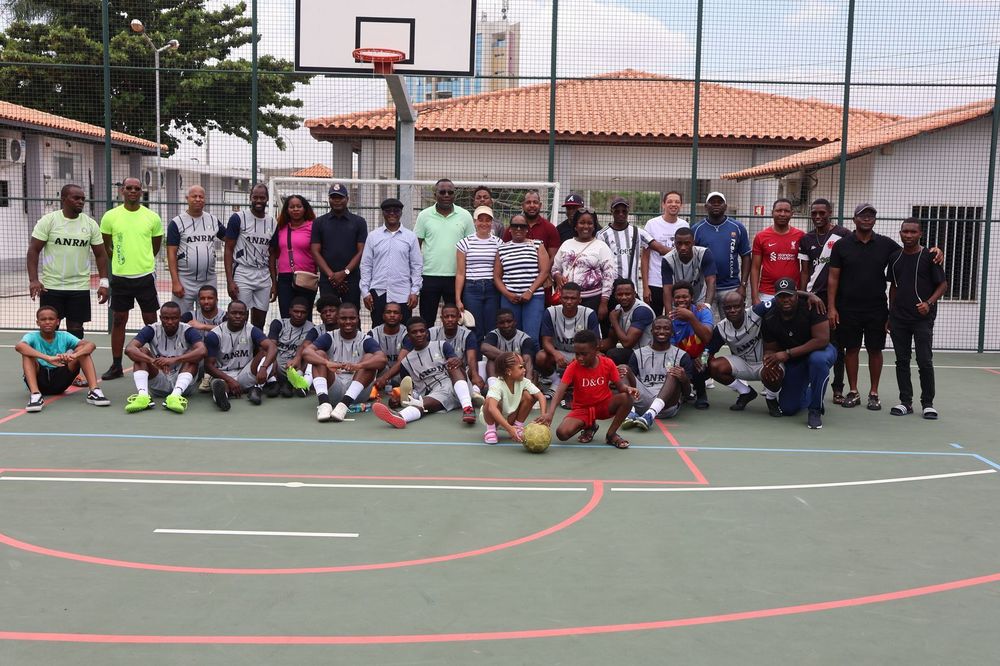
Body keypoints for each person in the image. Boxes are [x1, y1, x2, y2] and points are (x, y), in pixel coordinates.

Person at [827, 203, 941, 411]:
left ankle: (873, 393)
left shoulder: (887, 245)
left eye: (871, 216)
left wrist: (935, 250)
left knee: (875, 350)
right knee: (851, 349)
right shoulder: (842, 245)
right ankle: (853, 391)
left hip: (877, 308)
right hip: (847, 308)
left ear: (875, 220)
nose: (867, 219)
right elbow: (833, 278)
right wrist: (832, 307)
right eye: (862, 215)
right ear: (854, 220)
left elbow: (911, 252)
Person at [27, 184, 110, 356]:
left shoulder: (90, 224)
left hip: (78, 287)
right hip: (51, 286)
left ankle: (73, 369)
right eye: (76, 198)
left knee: (76, 329)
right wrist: (33, 280)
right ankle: (50, 365)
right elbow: (33, 250)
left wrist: (104, 282)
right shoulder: (49, 221)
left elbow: (101, 254)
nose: (81, 202)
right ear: (63, 199)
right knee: (50, 328)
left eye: (83, 199)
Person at [99, 177, 163, 380]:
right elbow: (106, 245)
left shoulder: (152, 217)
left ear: (141, 191)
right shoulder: (110, 217)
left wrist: (142, 262)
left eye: (137, 188)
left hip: (145, 277)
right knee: (119, 320)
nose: (133, 191)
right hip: (120, 278)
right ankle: (116, 365)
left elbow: (155, 246)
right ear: (122, 191)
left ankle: (156, 361)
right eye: (129, 188)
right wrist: (120, 262)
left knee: (151, 321)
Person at [535, 329, 638, 449]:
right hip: (582, 409)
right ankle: (590, 426)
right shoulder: (573, 367)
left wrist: (629, 389)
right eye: (577, 353)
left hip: (604, 405)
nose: (579, 358)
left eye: (584, 354)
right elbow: (559, 391)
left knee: (626, 398)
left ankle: (611, 434)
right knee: (562, 434)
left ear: (595, 350)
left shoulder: (608, 363)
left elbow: (620, 387)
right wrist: (550, 414)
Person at [887, 218, 948, 420]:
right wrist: (890, 313)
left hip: (922, 319)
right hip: (899, 319)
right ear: (900, 233)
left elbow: (943, 285)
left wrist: (928, 304)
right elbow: (893, 287)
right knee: (901, 361)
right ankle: (906, 402)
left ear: (920, 234)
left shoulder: (930, 256)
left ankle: (928, 404)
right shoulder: (895, 257)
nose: (909, 235)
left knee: (924, 360)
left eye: (913, 232)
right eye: (905, 232)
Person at [372, 317, 477, 428]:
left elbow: (458, 365)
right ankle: (400, 416)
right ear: (408, 335)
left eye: (422, 331)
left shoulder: (442, 345)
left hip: (459, 386)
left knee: (453, 365)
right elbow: (409, 388)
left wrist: (458, 361)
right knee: (421, 404)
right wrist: (397, 399)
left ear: (427, 332)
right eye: (414, 332)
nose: (419, 334)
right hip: (437, 395)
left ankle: (468, 408)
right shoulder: (406, 363)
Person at [761, 277, 836, 429]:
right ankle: (810, 390)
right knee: (788, 408)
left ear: (796, 295)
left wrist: (787, 353)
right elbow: (771, 348)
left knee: (818, 361)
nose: (785, 300)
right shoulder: (769, 317)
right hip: (796, 360)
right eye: (781, 296)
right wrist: (769, 360)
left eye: (789, 295)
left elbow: (822, 340)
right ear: (776, 298)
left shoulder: (812, 306)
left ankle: (815, 410)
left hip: (821, 351)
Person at [798, 198, 851, 405]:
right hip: (812, 298)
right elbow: (804, 272)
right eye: (814, 213)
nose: (818, 217)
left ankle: (838, 388)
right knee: (810, 342)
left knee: (837, 344)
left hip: (835, 300)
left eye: (822, 213)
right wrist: (803, 296)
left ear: (830, 213)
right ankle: (808, 383)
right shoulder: (806, 239)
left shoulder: (843, 235)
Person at [303, 301, 387, 422]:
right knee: (319, 355)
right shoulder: (329, 336)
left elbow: (382, 359)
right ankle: (324, 404)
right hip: (334, 388)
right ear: (337, 319)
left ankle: (343, 406)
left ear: (358, 319)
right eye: (343, 318)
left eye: (352, 318)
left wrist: (359, 366)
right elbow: (306, 352)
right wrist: (327, 363)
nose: (348, 322)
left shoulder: (365, 339)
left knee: (369, 358)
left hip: (357, 393)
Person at [16, 305, 109, 412]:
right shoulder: (31, 336)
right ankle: (35, 395)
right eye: (43, 319)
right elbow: (19, 346)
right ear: (38, 322)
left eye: (51, 319)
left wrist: (73, 355)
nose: (47, 322)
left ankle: (94, 391)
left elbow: (91, 345)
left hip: (60, 379)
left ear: (58, 322)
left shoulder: (64, 336)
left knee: (83, 351)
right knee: (27, 354)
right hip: (39, 379)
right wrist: (48, 358)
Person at [123, 302, 206, 414]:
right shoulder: (151, 329)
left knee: (193, 355)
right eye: (166, 318)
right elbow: (129, 349)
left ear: (180, 318)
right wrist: (152, 361)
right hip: (159, 382)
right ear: (160, 318)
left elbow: (202, 350)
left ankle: (175, 397)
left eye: (174, 318)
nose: (170, 322)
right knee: (141, 352)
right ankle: (143, 397)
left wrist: (175, 359)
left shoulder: (188, 330)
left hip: (183, 385)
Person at [414, 178, 475, 325]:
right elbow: (416, 245)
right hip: (429, 276)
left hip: (456, 277)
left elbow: (471, 246)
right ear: (435, 194)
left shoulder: (465, 215)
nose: (446, 195)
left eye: (450, 192)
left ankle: (453, 347)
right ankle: (427, 347)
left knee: (454, 320)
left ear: (454, 195)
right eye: (442, 192)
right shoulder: (424, 215)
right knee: (427, 320)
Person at [620, 315, 694, 430]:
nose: (661, 331)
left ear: (672, 332)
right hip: (642, 401)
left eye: (666, 328)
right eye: (658, 328)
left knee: (673, 373)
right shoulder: (638, 354)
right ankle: (631, 412)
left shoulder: (682, 356)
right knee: (623, 368)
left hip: (667, 405)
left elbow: (687, 393)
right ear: (652, 331)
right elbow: (628, 381)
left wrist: (684, 379)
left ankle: (650, 415)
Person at [596, 197, 670, 309]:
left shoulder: (637, 232)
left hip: (632, 291)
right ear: (611, 211)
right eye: (617, 211)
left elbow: (660, 248)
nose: (621, 214)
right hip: (611, 291)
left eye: (624, 211)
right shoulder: (602, 235)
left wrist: (685, 251)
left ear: (628, 212)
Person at [203, 300, 277, 411]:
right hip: (224, 374)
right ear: (227, 314)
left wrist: (263, 368)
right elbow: (208, 366)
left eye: (241, 313)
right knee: (220, 385)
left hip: (245, 373)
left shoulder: (251, 329)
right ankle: (222, 396)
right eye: (234, 313)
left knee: (267, 353)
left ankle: (257, 388)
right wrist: (229, 380)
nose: (238, 316)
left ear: (246, 315)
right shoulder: (214, 335)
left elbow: (272, 347)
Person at [360, 198, 422, 326]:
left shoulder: (410, 237)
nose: (392, 214)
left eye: (396, 211)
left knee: (404, 329)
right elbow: (366, 265)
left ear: (401, 213)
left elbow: (416, 266)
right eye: (388, 211)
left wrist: (415, 291)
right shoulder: (373, 236)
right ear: (383, 213)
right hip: (378, 292)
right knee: (378, 328)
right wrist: (365, 292)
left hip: (403, 294)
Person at [166, 185, 225, 315]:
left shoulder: (213, 220)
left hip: (208, 279)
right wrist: (175, 282)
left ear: (205, 199)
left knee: (208, 317)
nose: (198, 199)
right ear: (187, 198)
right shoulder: (176, 222)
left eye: (201, 197)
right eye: (194, 196)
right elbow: (171, 253)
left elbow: (229, 239)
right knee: (180, 318)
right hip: (185, 280)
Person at [225, 184, 276, 329]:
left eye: (262, 197)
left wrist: (274, 283)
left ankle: (256, 351)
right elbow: (228, 249)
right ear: (250, 198)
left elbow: (272, 255)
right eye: (255, 197)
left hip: (263, 274)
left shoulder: (272, 222)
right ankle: (240, 350)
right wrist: (230, 281)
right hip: (243, 272)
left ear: (267, 199)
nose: (258, 200)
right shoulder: (238, 218)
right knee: (240, 318)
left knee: (259, 321)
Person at [551, 208, 617, 321]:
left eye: (589, 223)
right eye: (582, 222)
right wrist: (557, 277)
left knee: (589, 334)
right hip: (568, 300)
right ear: (575, 226)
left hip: (593, 300)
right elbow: (555, 268)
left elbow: (609, 276)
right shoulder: (566, 244)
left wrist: (604, 303)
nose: (586, 226)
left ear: (594, 226)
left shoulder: (601, 246)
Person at [692, 191, 751, 317]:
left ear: (725, 206)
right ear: (706, 207)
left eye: (720, 202)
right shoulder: (696, 229)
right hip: (705, 289)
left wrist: (743, 285)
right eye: (712, 202)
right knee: (705, 327)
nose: (716, 205)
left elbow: (746, 256)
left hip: (731, 287)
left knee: (733, 326)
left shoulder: (737, 227)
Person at [311, 182, 367, 309]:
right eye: (333, 198)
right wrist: (332, 276)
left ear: (347, 199)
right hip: (328, 280)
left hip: (351, 279)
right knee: (329, 315)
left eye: (340, 198)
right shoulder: (319, 222)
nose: (337, 201)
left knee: (351, 315)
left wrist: (345, 273)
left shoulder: (359, 222)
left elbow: (361, 251)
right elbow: (315, 251)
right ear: (329, 199)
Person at [494, 214, 550, 341]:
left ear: (527, 229)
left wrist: (530, 291)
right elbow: (497, 277)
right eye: (514, 226)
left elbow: (545, 271)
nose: (518, 229)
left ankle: (530, 361)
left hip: (533, 297)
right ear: (510, 229)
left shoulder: (537, 245)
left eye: (522, 226)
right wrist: (507, 294)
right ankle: (513, 361)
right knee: (510, 335)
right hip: (509, 299)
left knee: (531, 336)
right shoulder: (502, 249)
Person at [536, 282, 601, 391]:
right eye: (565, 298)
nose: (569, 301)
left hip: (582, 354)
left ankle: (584, 381)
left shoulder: (589, 313)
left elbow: (596, 344)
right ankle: (556, 380)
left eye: (573, 298)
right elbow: (546, 341)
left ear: (579, 300)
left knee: (601, 357)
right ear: (560, 298)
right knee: (540, 356)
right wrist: (556, 354)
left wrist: (580, 357)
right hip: (560, 353)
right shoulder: (551, 312)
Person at [455, 205, 501, 342]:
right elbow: (460, 273)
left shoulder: (499, 243)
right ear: (475, 222)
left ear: (492, 222)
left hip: (492, 288)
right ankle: (477, 361)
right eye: (480, 220)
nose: (484, 223)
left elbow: (500, 271)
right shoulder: (464, 243)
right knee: (475, 327)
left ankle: (490, 360)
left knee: (492, 327)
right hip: (472, 289)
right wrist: (458, 299)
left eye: (488, 220)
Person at [268, 194, 318, 319]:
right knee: (286, 315)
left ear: (305, 208)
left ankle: (306, 339)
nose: (295, 209)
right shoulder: (280, 228)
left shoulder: (313, 227)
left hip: (306, 277)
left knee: (305, 316)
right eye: (292, 207)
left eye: (299, 206)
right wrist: (274, 282)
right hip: (285, 278)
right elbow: (272, 254)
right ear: (286, 210)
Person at [482, 351, 546, 445]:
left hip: (510, 417)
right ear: (509, 371)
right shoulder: (497, 385)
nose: (524, 370)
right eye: (521, 367)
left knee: (528, 395)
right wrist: (509, 429)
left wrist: (543, 416)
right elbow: (492, 408)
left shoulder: (524, 382)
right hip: (494, 419)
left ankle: (518, 427)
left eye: (524, 366)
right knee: (489, 402)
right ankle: (491, 430)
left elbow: (541, 396)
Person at [669, 281, 714, 409]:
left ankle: (701, 394)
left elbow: (707, 338)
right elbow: (671, 349)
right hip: (682, 357)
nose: (681, 300)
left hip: (704, 352)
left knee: (702, 362)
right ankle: (684, 392)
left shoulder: (703, 311)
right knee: (671, 365)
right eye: (677, 297)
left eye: (685, 297)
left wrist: (690, 317)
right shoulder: (670, 319)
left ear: (692, 298)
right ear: (673, 299)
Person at [750, 198, 805, 304]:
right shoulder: (761, 237)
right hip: (767, 292)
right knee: (767, 320)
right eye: (779, 210)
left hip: (792, 292)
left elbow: (805, 269)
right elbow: (755, 268)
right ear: (772, 213)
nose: (782, 214)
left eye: (786, 211)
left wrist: (801, 293)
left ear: (792, 214)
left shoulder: (800, 236)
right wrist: (754, 296)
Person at [643, 191, 689, 316]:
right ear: (663, 204)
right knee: (654, 320)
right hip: (655, 282)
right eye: (669, 201)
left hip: (676, 282)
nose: (673, 204)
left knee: (676, 318)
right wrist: (645, 286)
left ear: (681, 205)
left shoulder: (684, 225)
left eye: (677, 202)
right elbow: (645, 257)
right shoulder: (652, 224)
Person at [285, 294, 341, 397]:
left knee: (316, 353)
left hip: (341, 369)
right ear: (320, 316)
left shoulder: (348, 330)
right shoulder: (317, 329)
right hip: (324, 369)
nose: (328, 314)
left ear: (339, 312)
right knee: (312, 353)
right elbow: (305, 345)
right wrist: (297, 358)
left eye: (332, 311)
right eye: (324, 312)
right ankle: (302, 385)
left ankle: (300, 382)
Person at [265, 297, 315, 398]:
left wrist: (297, 361)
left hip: (297, 368)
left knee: (312, 355)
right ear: (290, 311)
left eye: (303, 312)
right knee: (265, 351)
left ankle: (293, 384)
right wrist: (273, 362)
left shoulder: (313, 328)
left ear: (307, 313)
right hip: (277, 367)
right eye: (296, 311)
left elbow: (307, 348)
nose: (299, 315)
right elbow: (271, 346)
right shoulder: (278, 323)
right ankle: (273, 382)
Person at [661, 226, 717, 310]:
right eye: (679, 243)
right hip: (679, 300)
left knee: (703, 321)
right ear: (675, 243)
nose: (683, 247)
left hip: (700, 299)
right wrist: (669, 313)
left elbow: (711, 281)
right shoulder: (667, 259)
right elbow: (667, 289)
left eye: (687, 243)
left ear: (693, 243)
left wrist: (707, 305)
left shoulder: (704, 254)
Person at [603, 278, 655, 365]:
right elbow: (612, 341)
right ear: (615, 295)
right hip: (633, 352)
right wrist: (595, 348)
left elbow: (628, 343)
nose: (623, 297)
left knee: (614, 354)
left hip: (647, 354)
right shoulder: (618, 309)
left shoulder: (641, 310)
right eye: (620, 294)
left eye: (627, 294)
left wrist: (614, 321)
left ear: (634, 294)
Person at [481, 309, 539, 386]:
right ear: (497, 324)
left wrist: (528, 385)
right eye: (502, 323)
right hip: (500, 373)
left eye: (509, 321)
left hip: (518, 372)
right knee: (491, 360)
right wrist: (510, 357)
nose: (506, 325)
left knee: (533, 372)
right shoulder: (494, 334)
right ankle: (493, 388)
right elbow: (484, 347)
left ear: (515, 322)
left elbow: (527, 362)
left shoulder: (525, 339)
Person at [502, 189, 561, 260]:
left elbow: (553, 257)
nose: (532, 205)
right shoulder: (512, 229)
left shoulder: (550, 228)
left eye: (535, 202)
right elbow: (504, 253)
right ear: (523, 206)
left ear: (540, 205)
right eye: (528, 202)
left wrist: (544, 271)